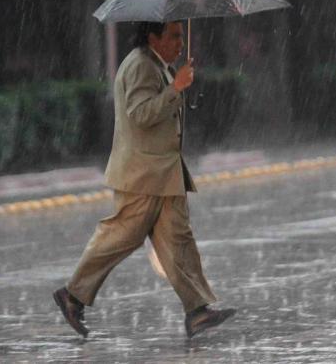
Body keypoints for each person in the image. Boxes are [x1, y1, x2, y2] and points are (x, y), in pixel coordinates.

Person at [53, 20, 235, 338]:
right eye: (174, 36)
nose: (180, 42)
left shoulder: (158, 65)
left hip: (164, 173)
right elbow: (140, 115)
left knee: (178, 240)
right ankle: (72, 295)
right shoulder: (140, 65)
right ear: (153, 37)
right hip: (144, 174)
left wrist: (177, 86)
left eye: (181, 36)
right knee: (122, 235)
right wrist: (175, 88)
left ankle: (197, 311)